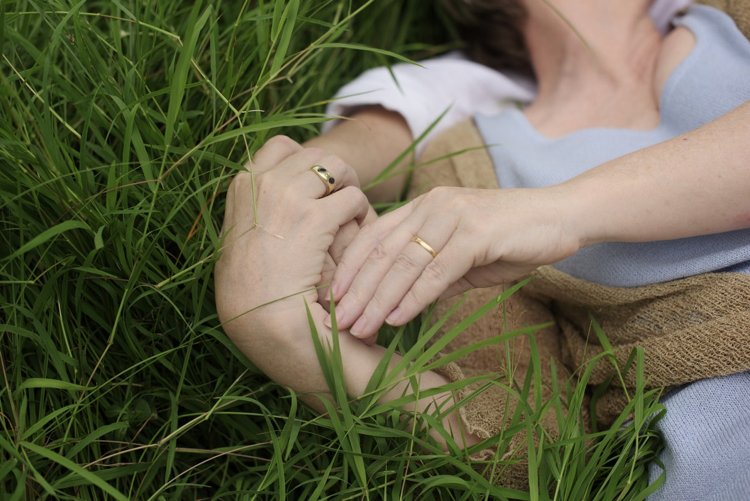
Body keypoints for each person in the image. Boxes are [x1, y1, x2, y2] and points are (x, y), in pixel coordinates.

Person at [215, 0, 750, 498]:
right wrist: (290, 337)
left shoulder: (727, 15)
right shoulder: (469, 167)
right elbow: (525, 445)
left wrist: (559, 211)